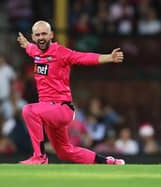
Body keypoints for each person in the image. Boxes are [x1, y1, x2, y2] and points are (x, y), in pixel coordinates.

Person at [16, 20, 125, 165]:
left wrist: (109, 57)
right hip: (48, 111)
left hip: (62, 108)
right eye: (37, 35)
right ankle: (108, 161)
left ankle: (39, 157)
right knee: (64, 152)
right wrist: (25, 44)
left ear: (51, 35)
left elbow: (84, 58)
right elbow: (30, 48)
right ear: (34, 37)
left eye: (44, 34)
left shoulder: (61, 52)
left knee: (28, 110)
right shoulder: (35, 51)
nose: (41, 37)